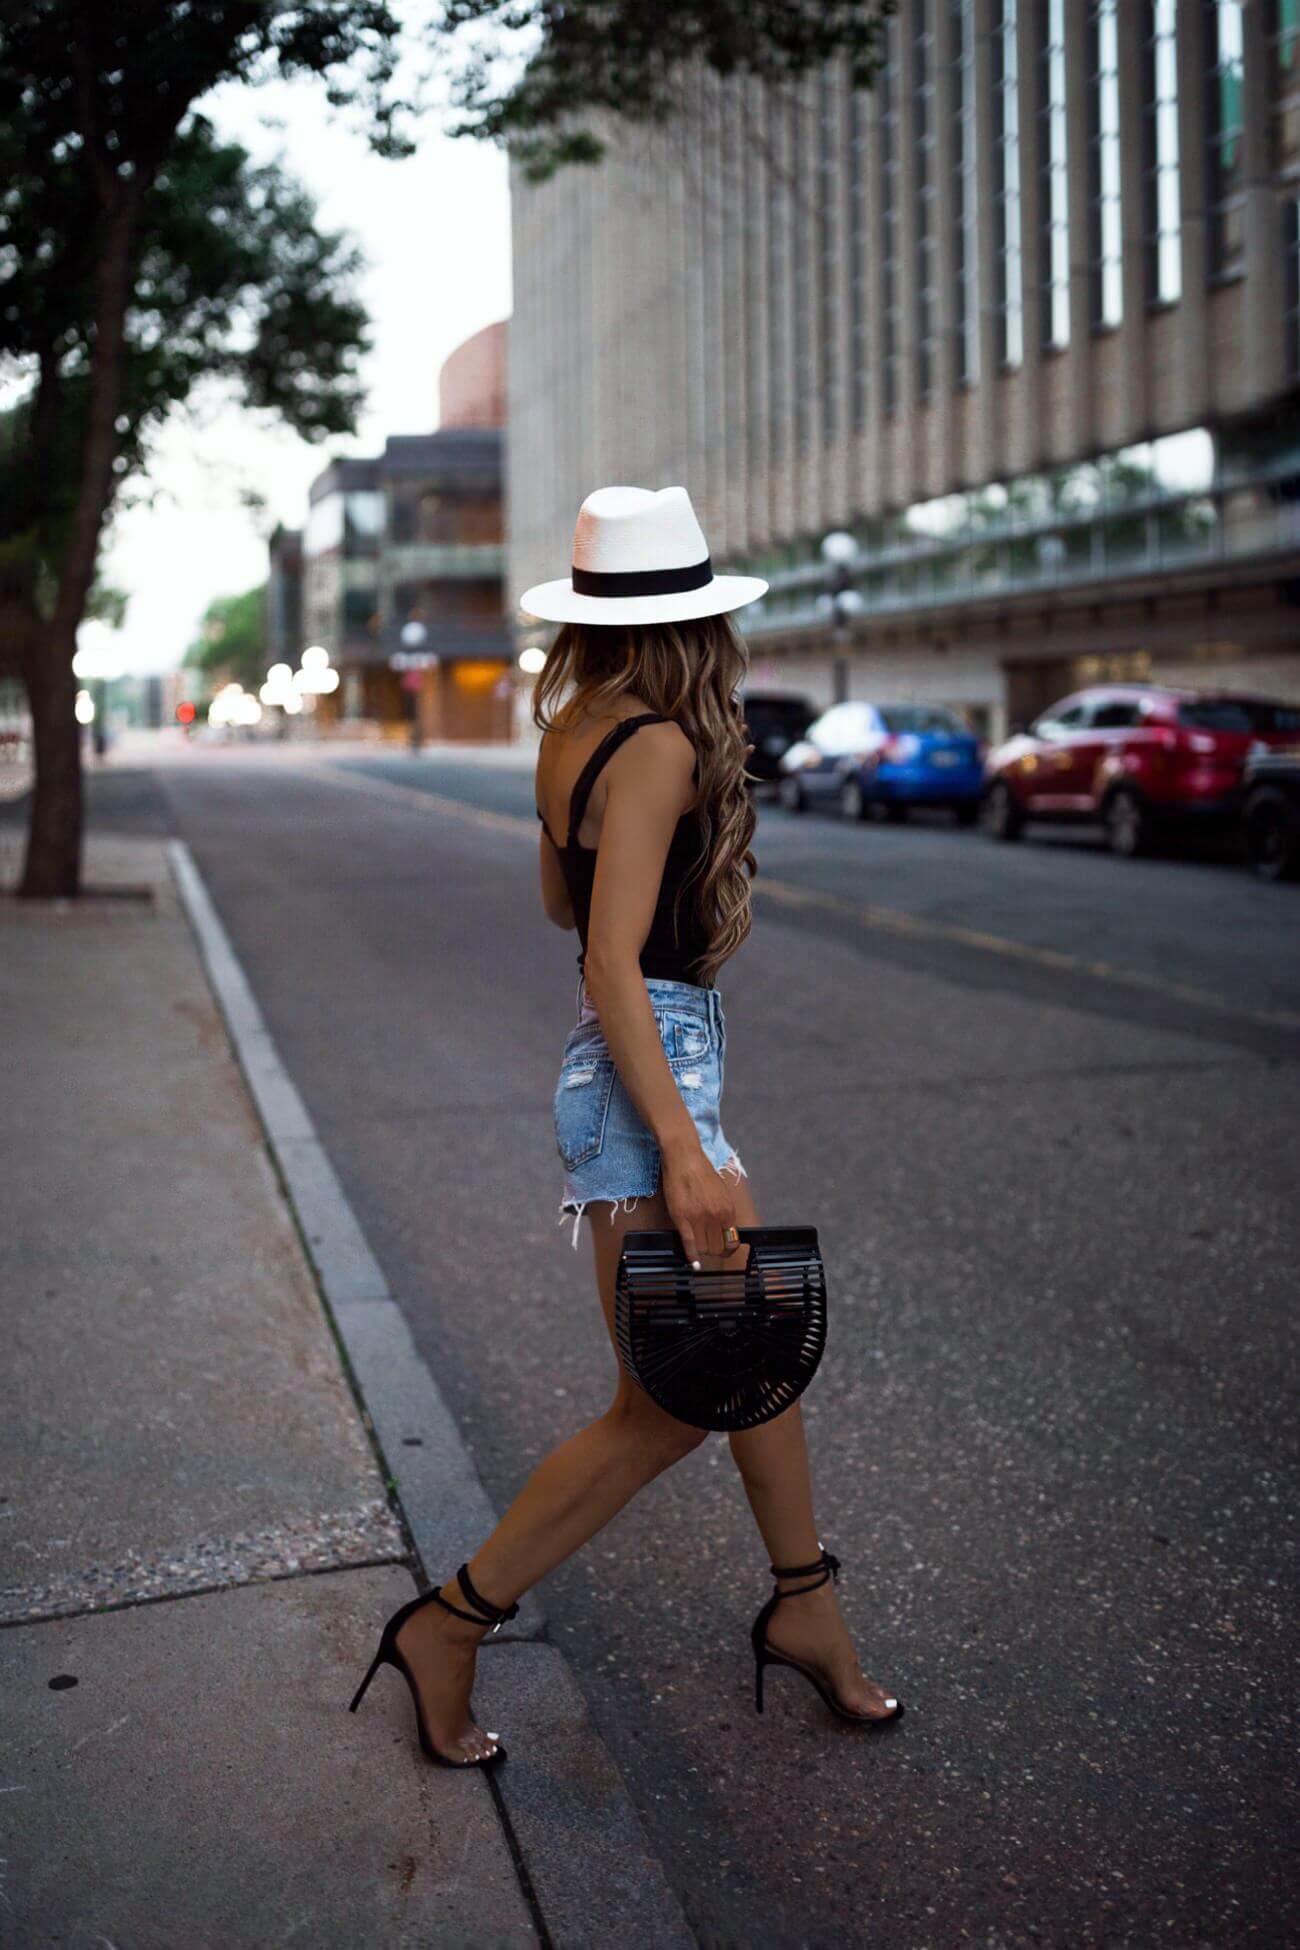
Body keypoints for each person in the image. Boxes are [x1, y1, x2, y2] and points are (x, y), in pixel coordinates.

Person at [350, 487, 902, 1767]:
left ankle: (805, 1604)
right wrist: (683, 1145)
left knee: (755, 1339)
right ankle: (451, 1620)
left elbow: (564, 904)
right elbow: (606, 955)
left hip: (643, 1060)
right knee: (661, 1410)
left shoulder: (575, 732)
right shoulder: (655, 744)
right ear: (696, 627)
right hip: (645, 1067)